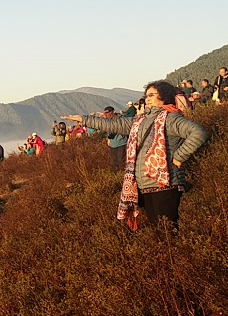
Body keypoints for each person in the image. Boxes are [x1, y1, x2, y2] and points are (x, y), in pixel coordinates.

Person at [62, 80, 208, 229]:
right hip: (145, 184)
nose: (147, 98)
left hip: (166, 184)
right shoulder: (140, 120)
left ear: (163, 96)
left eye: (151, 95)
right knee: (159, 231)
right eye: (146, 95)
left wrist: (179, 156)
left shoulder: (171, 118)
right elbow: (114, 125)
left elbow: (198, 133)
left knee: (168, 230)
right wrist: (84, 119)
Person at [99, 106, 127, 171]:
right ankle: (115, 176)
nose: (107, 114)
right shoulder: (108, 120)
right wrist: (108, 139)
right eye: (105, 113)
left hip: (121, 142)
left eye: (108, 112)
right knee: (113, 162)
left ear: (113, 112)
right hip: (113, 143)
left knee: (121, 160)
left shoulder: (121, 119)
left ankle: (121, 174)